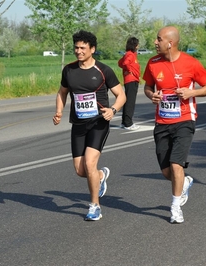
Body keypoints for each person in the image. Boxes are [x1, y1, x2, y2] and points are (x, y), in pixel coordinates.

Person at [143, 26, 206, 224]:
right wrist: (152, 95)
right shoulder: (153, 63)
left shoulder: (190, 63)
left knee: (176, 165)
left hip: (185, 120)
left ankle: (175, 208)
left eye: (158, 39)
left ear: (170, 43)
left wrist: (191, 93)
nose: (155, 43)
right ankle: (185, 182)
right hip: (162, 122)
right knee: (167, 171)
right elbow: (147, 86)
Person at [53, 30, 126, 221]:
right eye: (76, 48)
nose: (78, 51)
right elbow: (62, 92)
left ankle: (95, 206)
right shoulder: (69, 70)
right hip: (78, 123)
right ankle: (100, 176)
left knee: (89, 162)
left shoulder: (103, 70)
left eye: (83, 48)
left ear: (92, 49)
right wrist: (59, 111)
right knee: (80, 171)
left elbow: (122, 95)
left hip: (98, 123)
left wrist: (113, 110)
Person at [118, 37, 141, 130]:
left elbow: (120, 63)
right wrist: (129, 70)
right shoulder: (130, 55)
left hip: (130, 80)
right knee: (130, 102)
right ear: (135, 45)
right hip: (131, 80)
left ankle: (124, 122)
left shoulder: (130, 54)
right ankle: (128, 123)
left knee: (127, 101)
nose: (138, 46)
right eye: (137, 44)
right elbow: (124, 63)